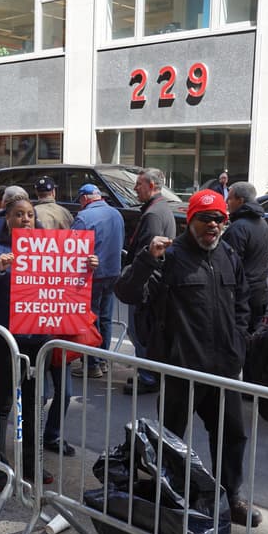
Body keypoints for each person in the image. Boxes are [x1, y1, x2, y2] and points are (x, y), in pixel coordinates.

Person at [115, 188, 260, 526]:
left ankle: (230, 496)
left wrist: (238, 343)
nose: (213, 224)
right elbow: (127, 292)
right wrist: (147, 259)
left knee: (232, 435)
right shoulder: (169, 255)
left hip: (223, 369)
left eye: (219, 218)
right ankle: (172, 496)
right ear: (189, 220)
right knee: (172, 438)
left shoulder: (228, 255)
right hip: (182, 369)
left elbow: (242, 305)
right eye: (205, 218)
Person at [0, 198, 96, 490]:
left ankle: (30, 463)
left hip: (39, 343)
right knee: (2, 405)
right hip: (5, 343)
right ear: (7, 219)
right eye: (18, 215)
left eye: (29, 214)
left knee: (33, 404)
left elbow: (69, 291)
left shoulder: (49, 252)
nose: (25, 219)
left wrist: (84, 268)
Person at [122, 167, 176, 394]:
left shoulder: (154, 214)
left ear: (151, 186)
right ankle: (148, 373)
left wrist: (137, 282)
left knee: (140, 331)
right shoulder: (158, 209)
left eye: (139, 184)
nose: (135, 188)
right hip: (151, 283)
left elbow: (148, 253)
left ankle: (147, 376)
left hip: (146, 284)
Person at [70, 183, 124, 380]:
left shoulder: (84, 218)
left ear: (85, 199)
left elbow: (72, 248)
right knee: (106, 318)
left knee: (90, 318)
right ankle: (103, 359)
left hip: (91, 275)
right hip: (112, 272)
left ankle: (92, 364)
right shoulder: (116, 214)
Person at [223, 182, 268, 332]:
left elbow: (229, 266)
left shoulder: (238, 228)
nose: (226, 202)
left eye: (229, 199)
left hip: (244, 296)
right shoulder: (262, 223)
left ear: (240, 201)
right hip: (259, 292)